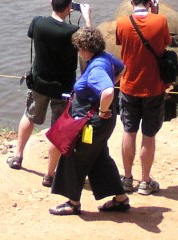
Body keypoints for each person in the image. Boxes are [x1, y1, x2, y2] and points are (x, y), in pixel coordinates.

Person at [7, 0, 91, 188]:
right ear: (69, 8)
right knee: (57, 129)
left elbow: (35, 34)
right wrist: (87, 17)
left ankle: (17, 156)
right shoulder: (74, 32)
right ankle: (49, 175)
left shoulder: (37, 23)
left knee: (29, 116)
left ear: (51, 3)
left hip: (39, 83)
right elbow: (89, 44)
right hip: (63, 89)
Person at [49, 26, 130, 216]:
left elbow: (108, 91)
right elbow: (123, 68)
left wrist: (102, 110)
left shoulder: (96, 68)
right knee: (99, 157)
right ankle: (121, 199)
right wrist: (105, 99)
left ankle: (73, 203)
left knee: (74, 154)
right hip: (101, 122)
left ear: (86, 48)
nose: (79, 52)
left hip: (93, 123)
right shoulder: (105, 57)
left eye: (79, 48)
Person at [115, 0, 171, 196]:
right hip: (154, 88)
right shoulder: (161, 21)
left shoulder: (122, 23)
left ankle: (127, 179)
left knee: (129, 132)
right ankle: (145, 182)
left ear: (131, 1)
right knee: (149, 135)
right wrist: (155, 14)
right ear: (150, 1)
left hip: (129, 86)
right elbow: (164, 44)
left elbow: (122, 43)